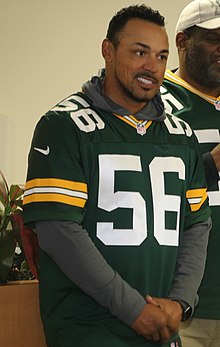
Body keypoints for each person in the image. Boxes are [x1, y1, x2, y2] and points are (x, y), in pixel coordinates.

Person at [23, 5, 211, 347]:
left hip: (162, 327)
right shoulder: (62, 126)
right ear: (108, 51)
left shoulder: (180, 134)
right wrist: (133, 309)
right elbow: (58, 232)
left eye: (161, 56)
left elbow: (197, 224)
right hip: (90, 328)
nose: (151, 66)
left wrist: (180, 302)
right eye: (139, 52)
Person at [161, 0, 220, 346]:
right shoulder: (153, 101)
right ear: (182, 41)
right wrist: (211, 163)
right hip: (181, 307)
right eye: (215, 39)